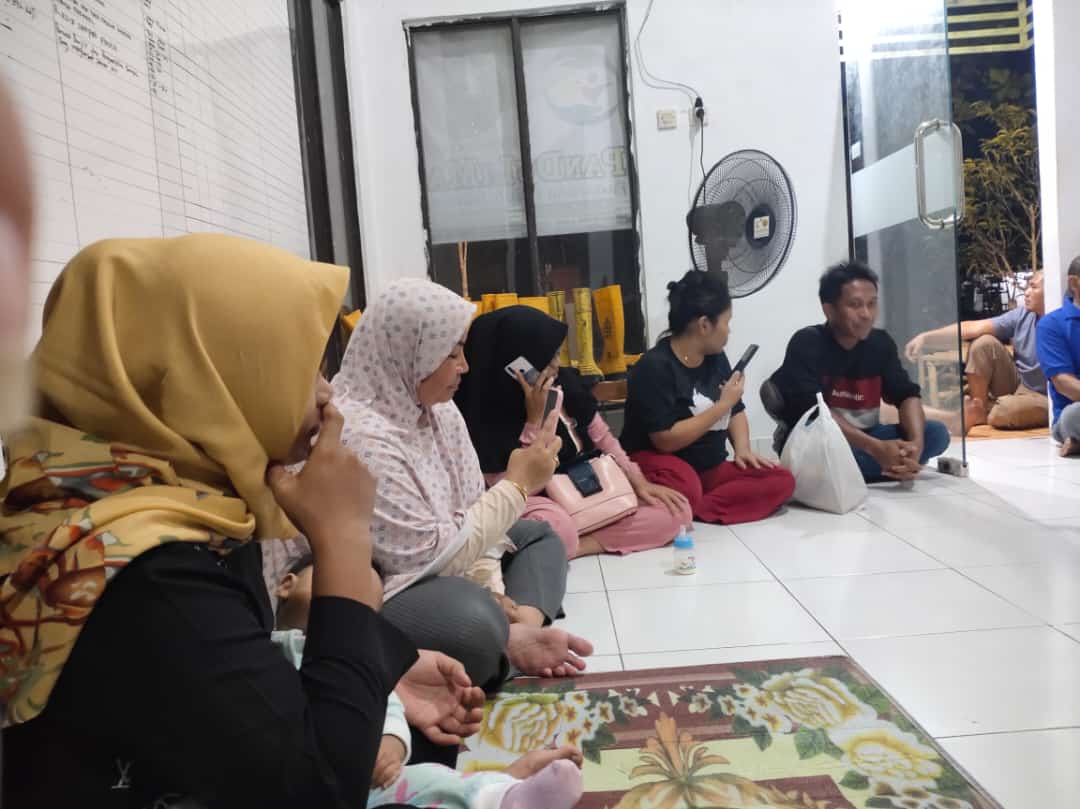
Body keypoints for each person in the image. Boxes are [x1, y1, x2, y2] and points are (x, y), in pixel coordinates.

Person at [1, 235, 485, 808]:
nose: (328, 396)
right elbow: (318, 793)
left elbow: (216, 670)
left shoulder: (163, 508)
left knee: (422, 748)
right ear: (203, 376)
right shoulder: (143, 570)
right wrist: (344, 542)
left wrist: (387, 667)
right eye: (304, 369)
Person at [331, 279, 594, 690]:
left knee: (540, 536)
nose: (465, 366)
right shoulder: (362, 435)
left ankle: (519, 629)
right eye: (452, 353)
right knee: (474, 624)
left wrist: (493, 588)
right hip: (392, 586)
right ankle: (503, 640)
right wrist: (518, 485)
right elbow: (428, 559)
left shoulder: (439, 411)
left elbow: (472, 507)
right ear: (410, 352)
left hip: (448, 554)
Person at [274, 555, 585, 809]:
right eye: (342, 585)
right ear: (286, 584)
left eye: (366, 609)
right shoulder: (268, 647)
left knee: (430, 778)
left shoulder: (357, 655)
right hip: (296, 775)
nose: (351, 609)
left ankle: (499, 793)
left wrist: (390, 744)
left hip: (363, 777)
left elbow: (387, 702)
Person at [454, 305, 692, 558]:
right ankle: (567, 540)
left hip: (585, 485)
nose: (556, 365)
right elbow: (515, 489)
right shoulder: (482, 414)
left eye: (557, 355)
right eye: (546, 360)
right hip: (540, 500)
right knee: (552, 523)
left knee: (677, 512)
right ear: (516, 365)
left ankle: (573, 546)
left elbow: (604, 439)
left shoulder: (565, 383)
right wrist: (534, 421)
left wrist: (639, 482)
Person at [620, 271, 795, 523]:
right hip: (660, 463)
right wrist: (722, 405)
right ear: (704, 325)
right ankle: (696, 502)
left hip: (709, 468)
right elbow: (665, 440)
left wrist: (743, 449)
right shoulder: (654, 366)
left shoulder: (716, 357)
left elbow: (736, 410)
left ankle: (695, 507)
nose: (729, 331)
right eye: (726, 322)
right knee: (686, 484)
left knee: (782, 479)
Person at [770, 261, 951, 482]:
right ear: (829, 309)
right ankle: (881, 465)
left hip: (867, 438)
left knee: (936, 433)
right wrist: (876, 449)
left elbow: (906, 396)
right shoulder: (808, 343)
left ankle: (882, 465)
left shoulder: (880, 344)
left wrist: (916, 445)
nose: (866, 314)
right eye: (855, 305)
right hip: (818, 440)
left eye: (872, 304)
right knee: (827, 457)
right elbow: (816, 412)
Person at [905, 271, 1048, 432]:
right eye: (1028, 286)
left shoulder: (1063, 321)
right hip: (1021, 384)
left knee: (1004, 411)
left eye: (1033, 287)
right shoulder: (1023, 315)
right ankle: (978, 410)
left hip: (1047, 397)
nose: (1026, 292)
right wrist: (926, 338)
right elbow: (972, 328)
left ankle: (991, 411)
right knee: (983, 344)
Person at [1036, 257, 1080, 456]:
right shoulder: (1051, 324)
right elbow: (1064, 383)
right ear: (1074, 283)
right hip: (1073, 411)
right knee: (1074, 415)